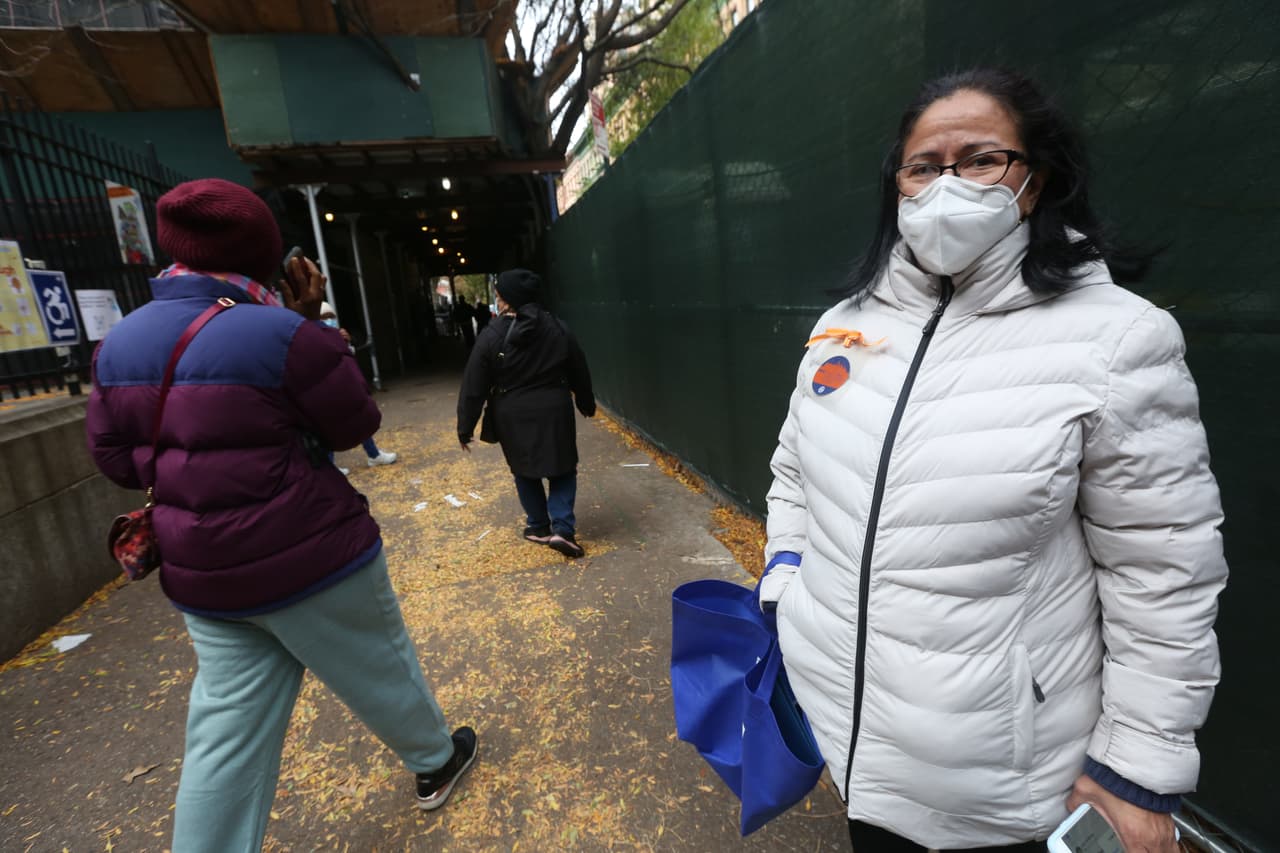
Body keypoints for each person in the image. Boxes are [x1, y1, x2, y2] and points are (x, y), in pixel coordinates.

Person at [759, 69, 1226, 853]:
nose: (948, 183)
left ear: (1035, 182)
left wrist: (1135, 772)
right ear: (898, 187)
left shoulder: (1117, 339)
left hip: (1008, 792)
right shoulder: (846, 324)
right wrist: (785, 579)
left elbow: (1165, 574)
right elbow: (793, 469)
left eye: (981, 159)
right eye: (923, 165)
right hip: (856, 752)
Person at [86, 179, 477, 853]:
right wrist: (315, 322)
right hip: (312, 554)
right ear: (264, 253)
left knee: (224, 733)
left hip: (203, 576)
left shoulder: (119, 345)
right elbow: (355, 421)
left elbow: (120, 463)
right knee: (377, 666)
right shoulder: (283, 330)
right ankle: (435, 760)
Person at [456, 269, 596, 559]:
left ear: (508, 299)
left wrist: (465, 427)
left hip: (511, 411)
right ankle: (563, 529)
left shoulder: (492, 335)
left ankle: (538, 526)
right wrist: (586, 403)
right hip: (554, 407)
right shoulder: (557, 327)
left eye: (499, 294)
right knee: (563, 466)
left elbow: (474, 384)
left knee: (524, 469)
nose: (497, 298)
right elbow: (578, 368)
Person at [318, 301, 398, 469]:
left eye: (331, 317)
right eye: (325, 317)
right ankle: (330, 465)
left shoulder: (337, 335)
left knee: (358, 418)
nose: (329, 320)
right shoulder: (313, 338)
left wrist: (347, 343)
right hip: (327, 391)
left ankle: (373, 454)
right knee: (329, 427)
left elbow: (346, 359)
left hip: (343, 387)